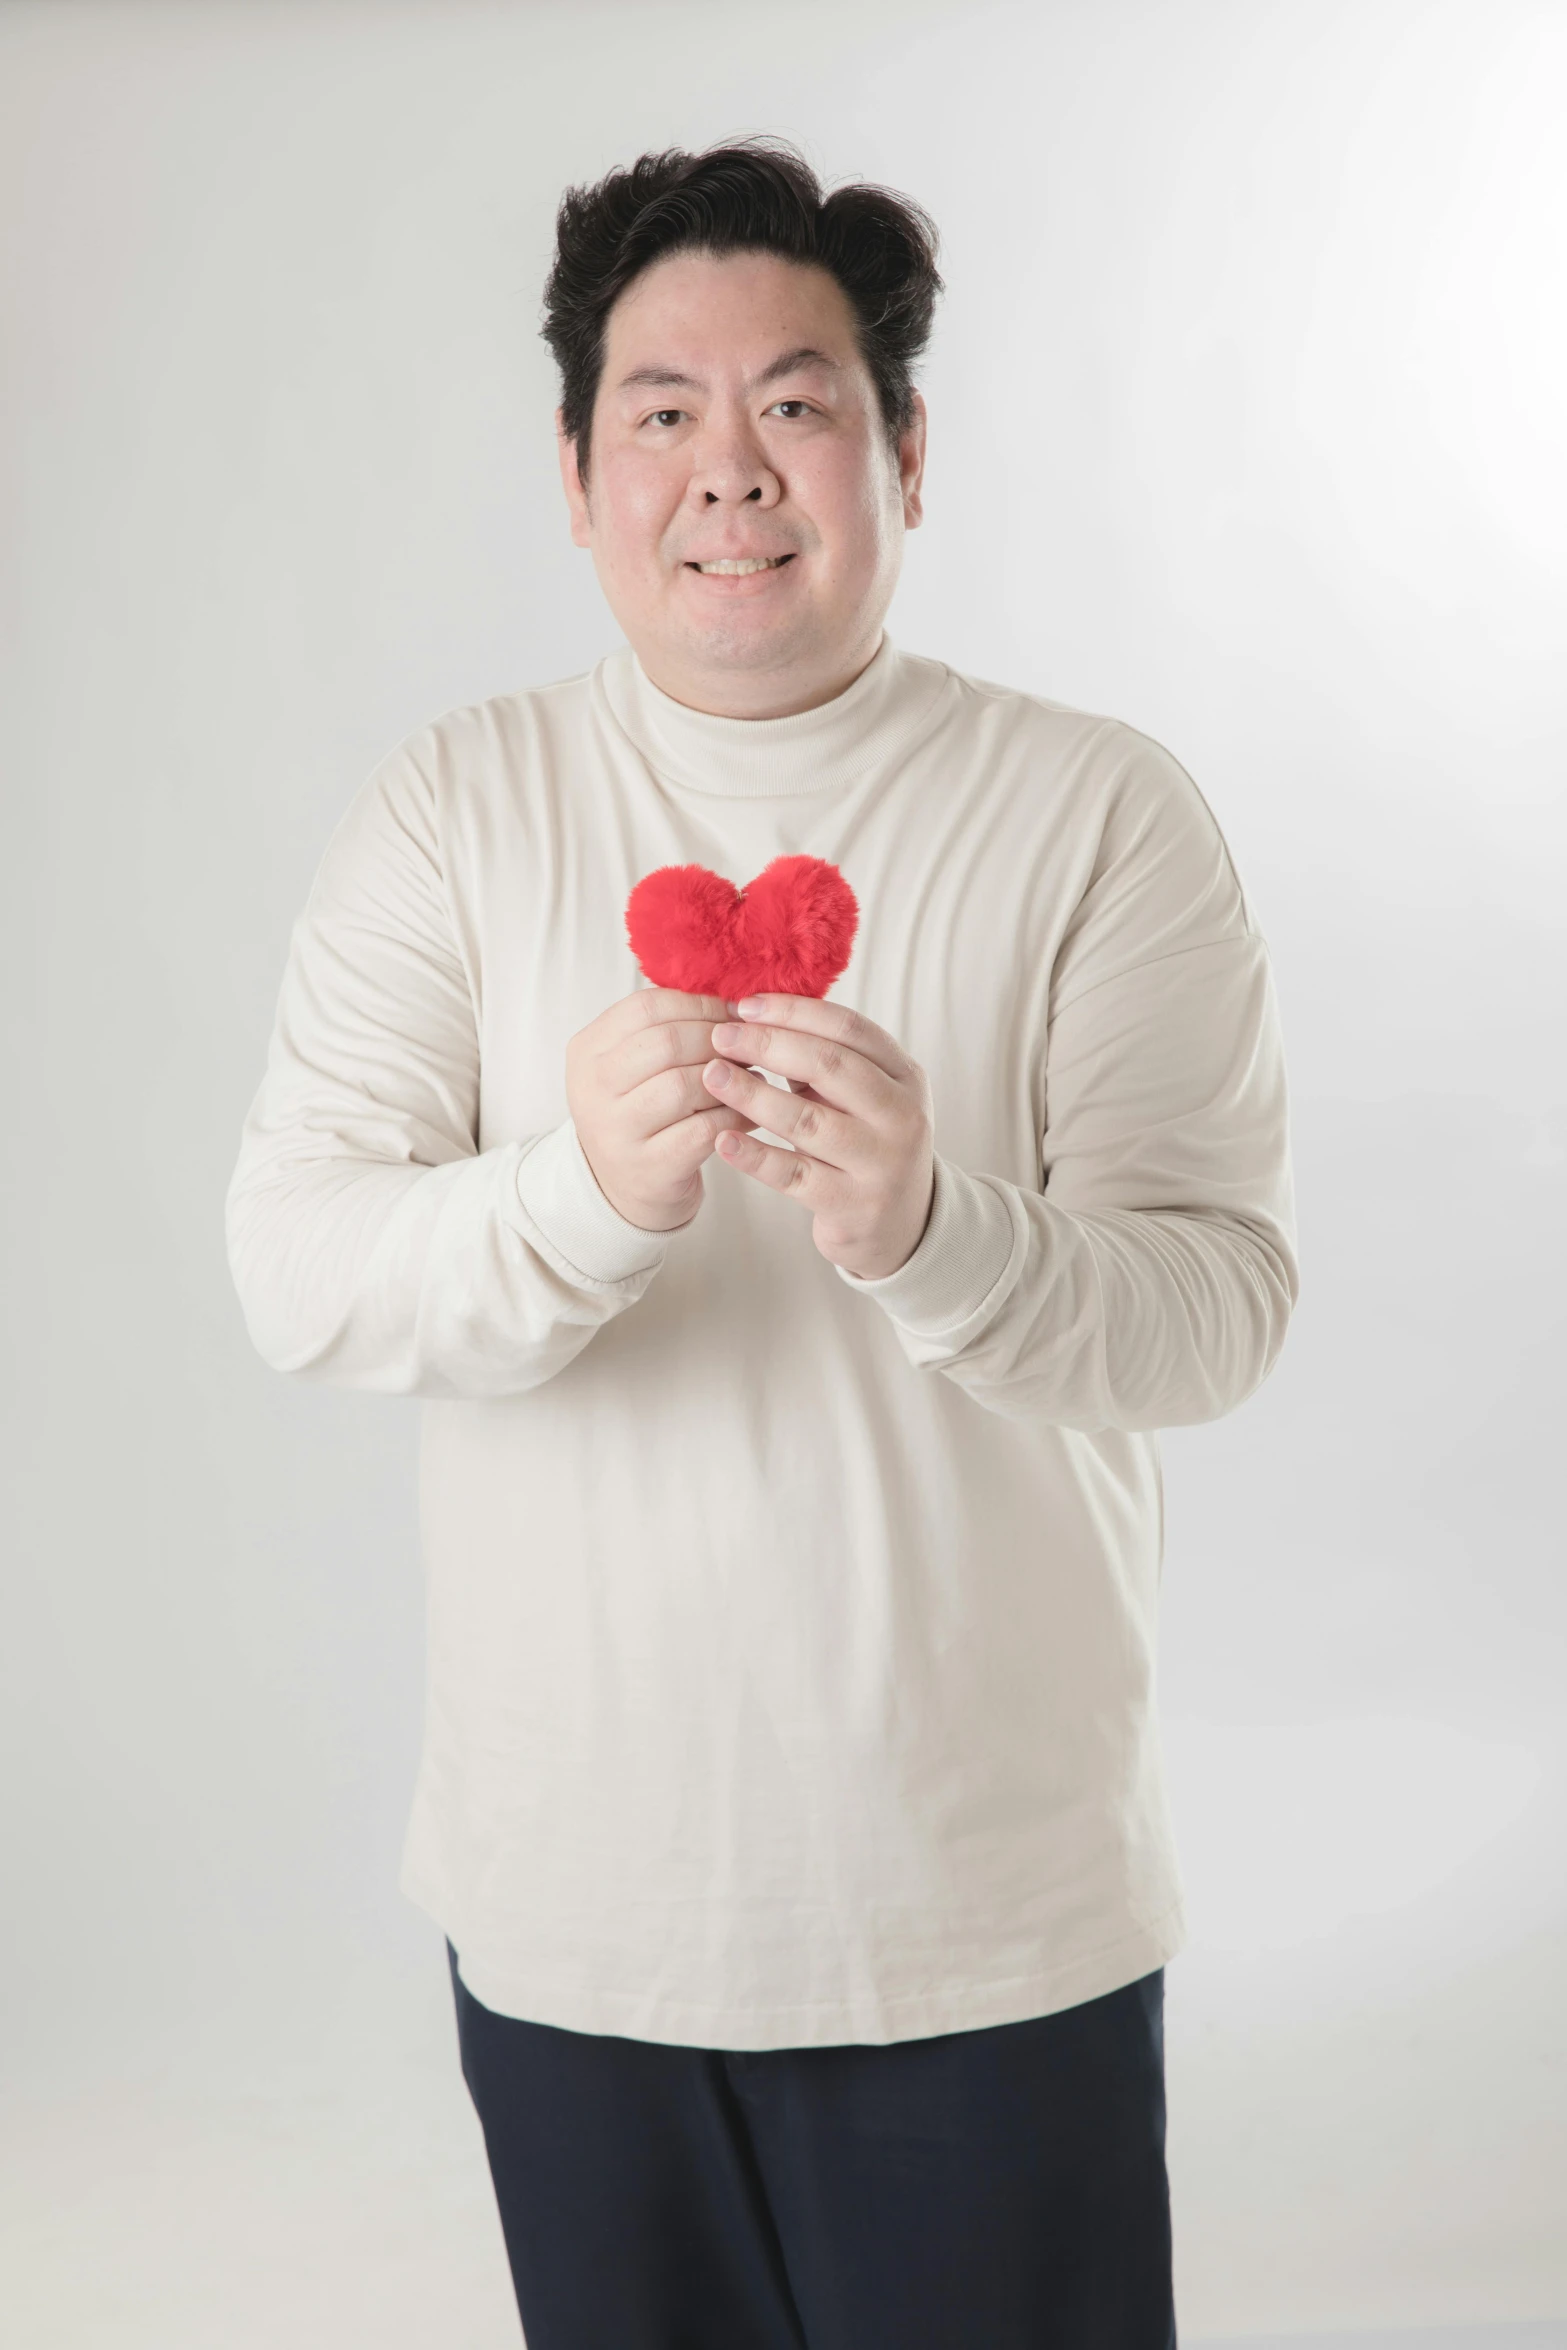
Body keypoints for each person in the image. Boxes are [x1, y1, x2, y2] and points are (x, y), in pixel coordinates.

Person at [226, 137, 1298, 2349]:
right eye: (663, 411)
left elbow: (1217, 1307)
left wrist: (932, 1227)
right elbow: (300, 1263)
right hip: (574, 1930)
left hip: (992, 1928)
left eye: (799, 402)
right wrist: (578, 1197)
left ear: (907, 448)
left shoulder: (1100, 811)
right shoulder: (455, 808)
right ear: (574, 467)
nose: (731, 468)